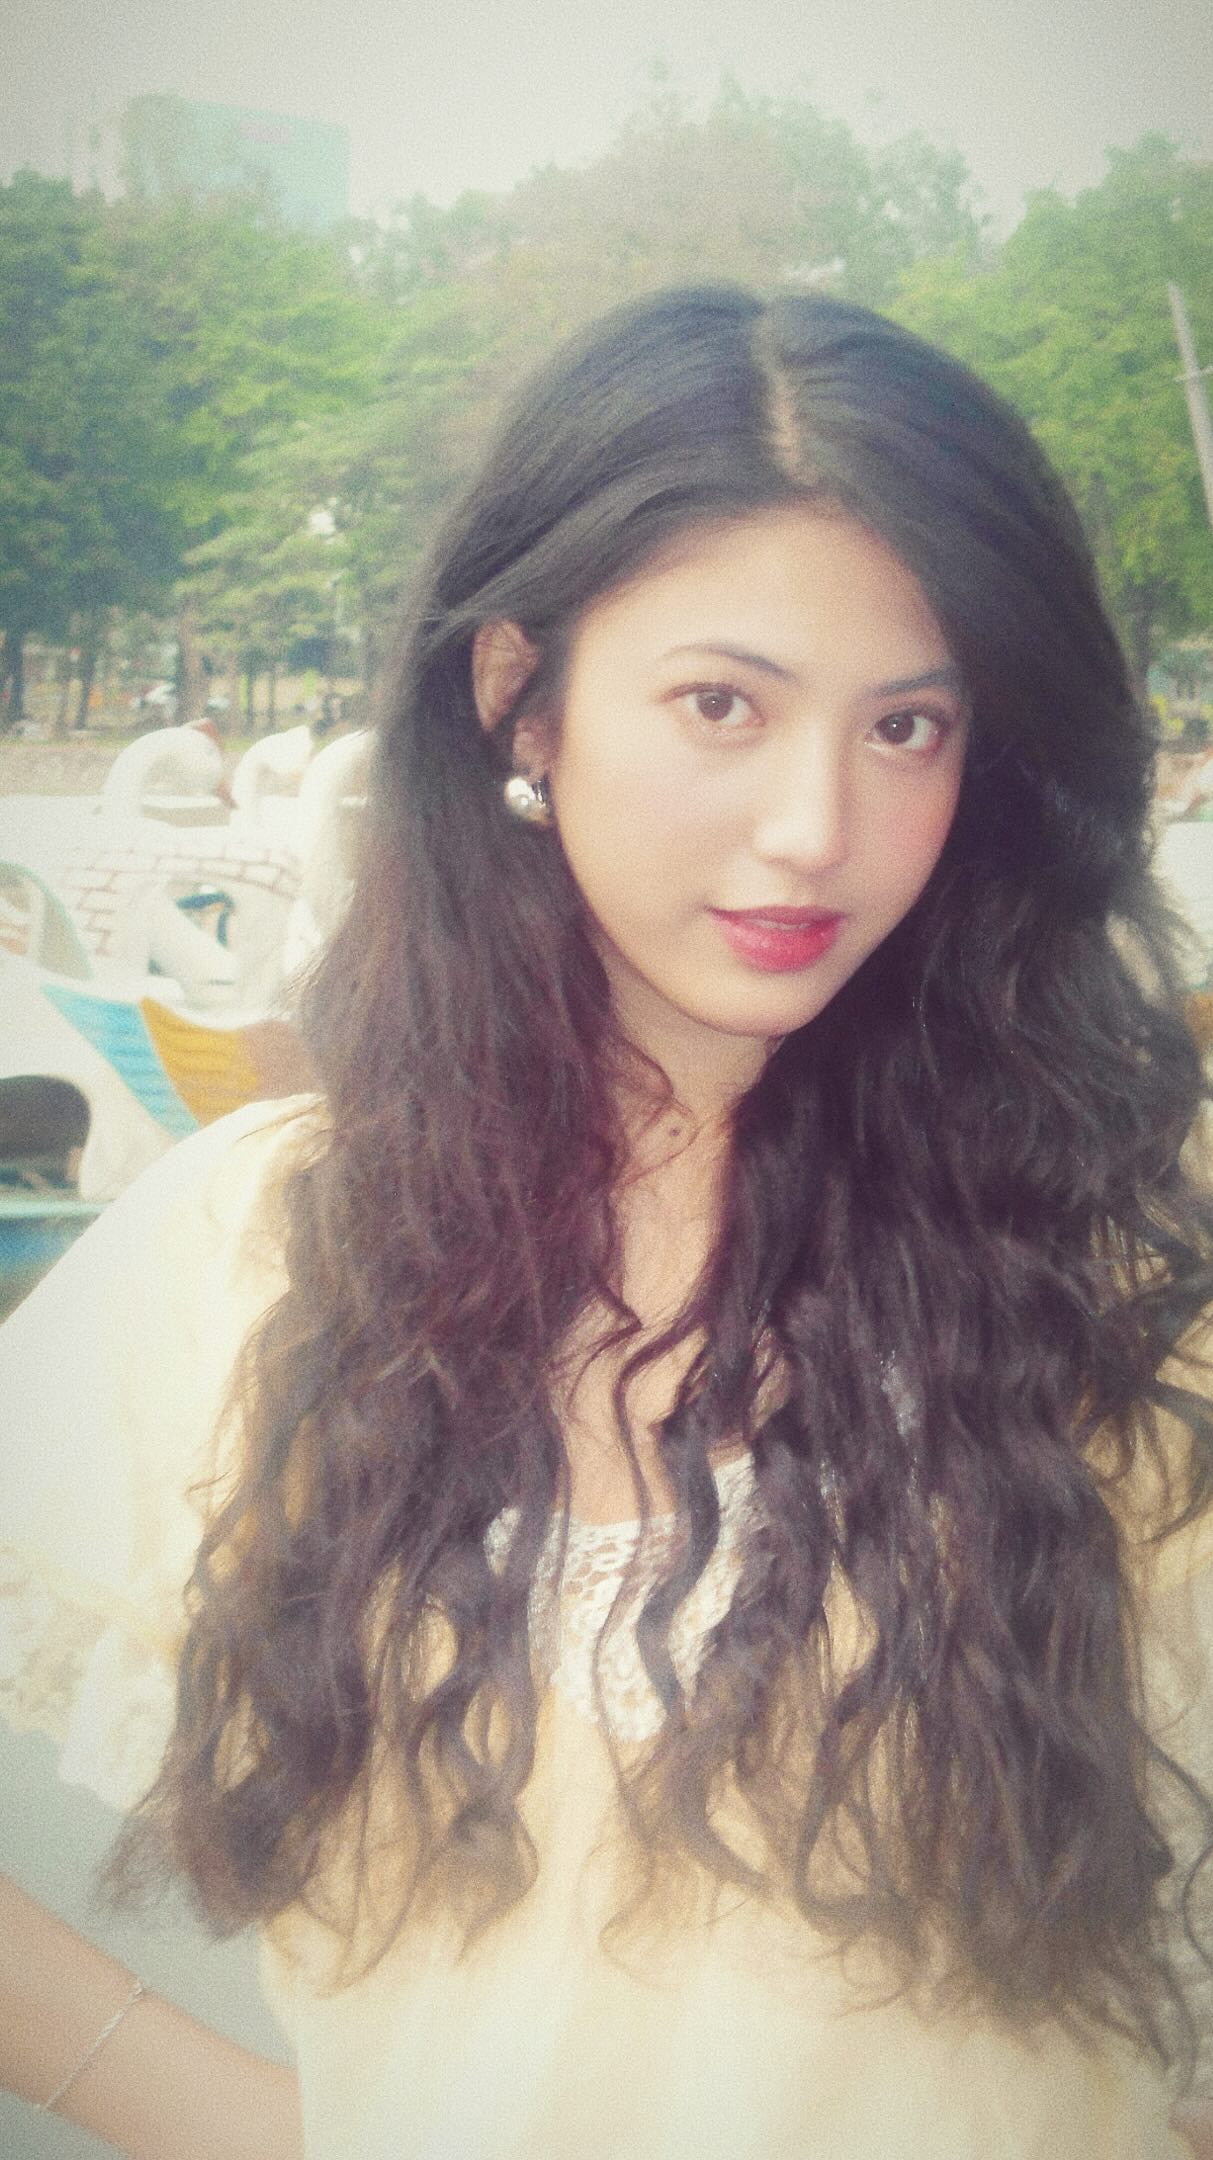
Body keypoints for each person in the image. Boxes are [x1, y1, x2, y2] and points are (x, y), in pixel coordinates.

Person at [2, 284, 1212, 2159]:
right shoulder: (261, 1245)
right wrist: (270, 2129)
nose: (813, 826)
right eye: (723, 704)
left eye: (907, 726)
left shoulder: (1123, 1264)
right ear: (521, 696)